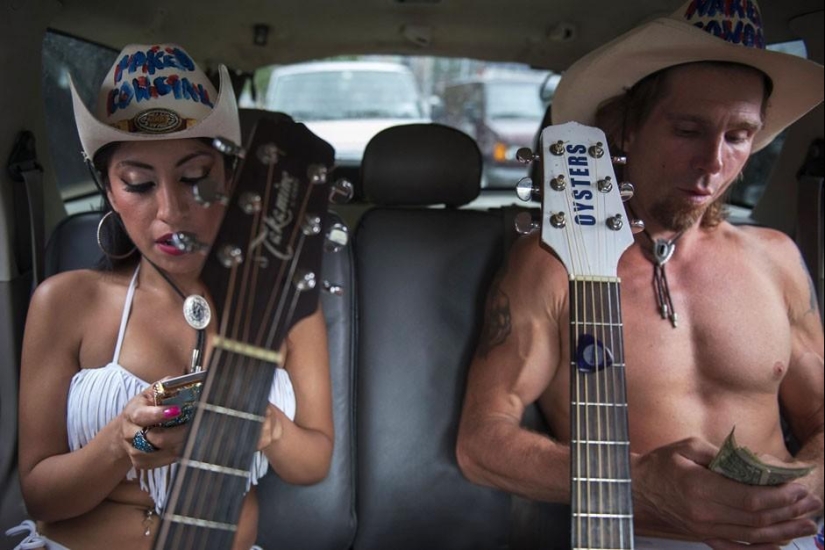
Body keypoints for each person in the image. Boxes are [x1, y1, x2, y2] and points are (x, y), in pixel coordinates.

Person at [456, 1, 824, 549]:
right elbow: (481, 445)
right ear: (625, 129)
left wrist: (807, 489)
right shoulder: (556, 262)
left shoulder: (776, 258)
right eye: (688, 129)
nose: (712, 162)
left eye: (738, 135)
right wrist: (641, 481)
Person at [9, 44, 333, 550]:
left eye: (194, 178)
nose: (170, 210)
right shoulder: (65, 303)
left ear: (228, 178)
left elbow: (315, 459)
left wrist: (265, 426)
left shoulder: (283, 303)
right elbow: (39, 497)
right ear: (109, 191)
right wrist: (120, 441)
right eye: (138, 184)